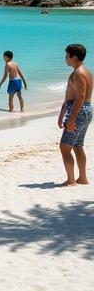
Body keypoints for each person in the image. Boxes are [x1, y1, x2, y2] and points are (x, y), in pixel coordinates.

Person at [59, 42, 92, 186]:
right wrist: (62, 114)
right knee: (78, 145)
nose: (65, 58)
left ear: (75, 57)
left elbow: (80, 97)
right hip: (84, 110)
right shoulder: (85, 71)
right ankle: (82, 178)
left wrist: (71, 118)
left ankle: (71, 180)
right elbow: (71, 96)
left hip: (79, 111)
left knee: (65, 147)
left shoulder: (79, 73)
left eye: (67, 56)